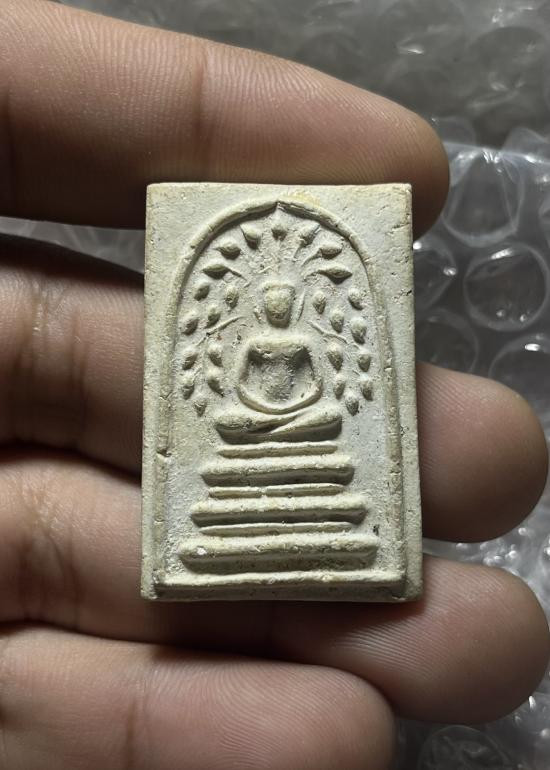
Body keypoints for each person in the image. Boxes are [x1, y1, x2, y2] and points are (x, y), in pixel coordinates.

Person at [0, 2, 548, 768]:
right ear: (265, 304)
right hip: (252, 432)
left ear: (297, 304)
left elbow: (321, 394)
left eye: (291, 304)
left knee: (322, 430)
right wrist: (261, 418)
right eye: (275, 305)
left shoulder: (300, 340)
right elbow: (244, 395)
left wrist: (293, 417)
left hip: (305, 431)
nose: (283, 313)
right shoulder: (258, 340)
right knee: (230, 429)